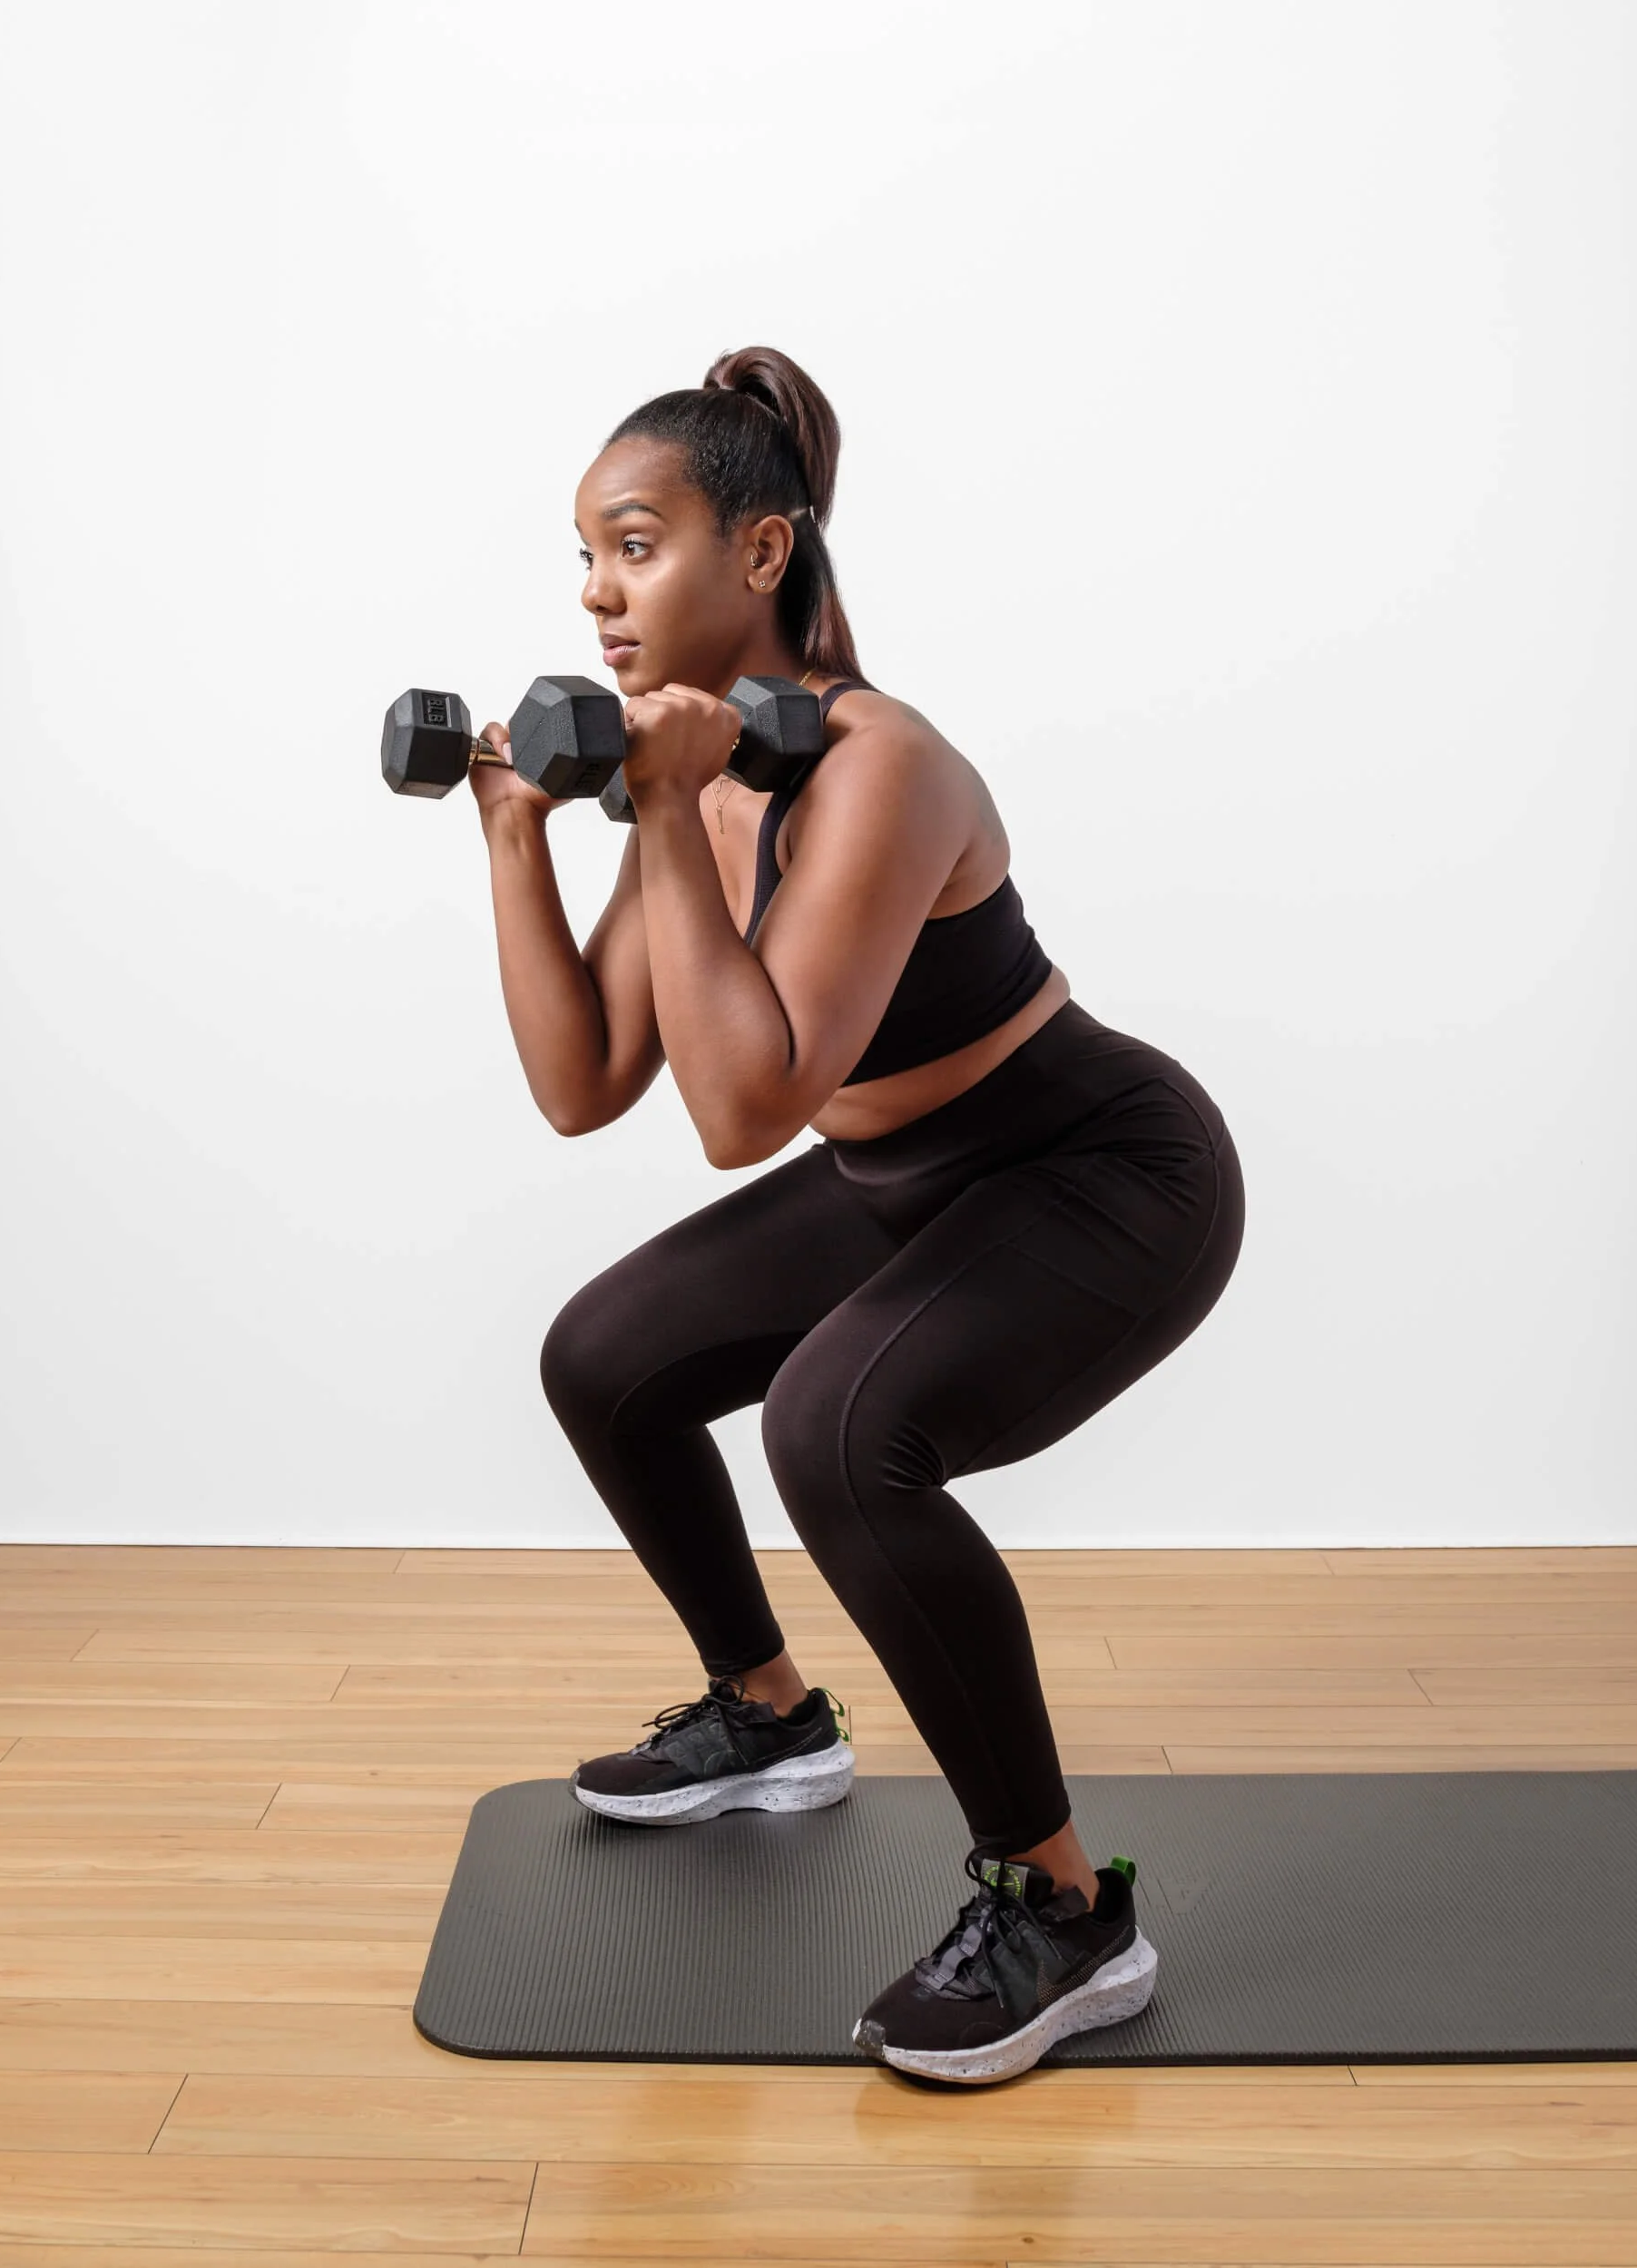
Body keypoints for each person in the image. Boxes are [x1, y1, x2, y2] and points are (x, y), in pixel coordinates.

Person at [465, 345, 1244, 2086]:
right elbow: (588, 1079)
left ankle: (1064, 1910)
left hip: (1101, 1172)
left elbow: (745, 1111)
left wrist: (661, 804)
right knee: (604, 1356)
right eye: (583, 554)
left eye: (636, 543)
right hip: (904, 1180)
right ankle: (766, 1719)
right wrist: (519, 836)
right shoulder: (700, 774)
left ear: (763, 553)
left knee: (838, 1426)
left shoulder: (874, 762)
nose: (598, 591)